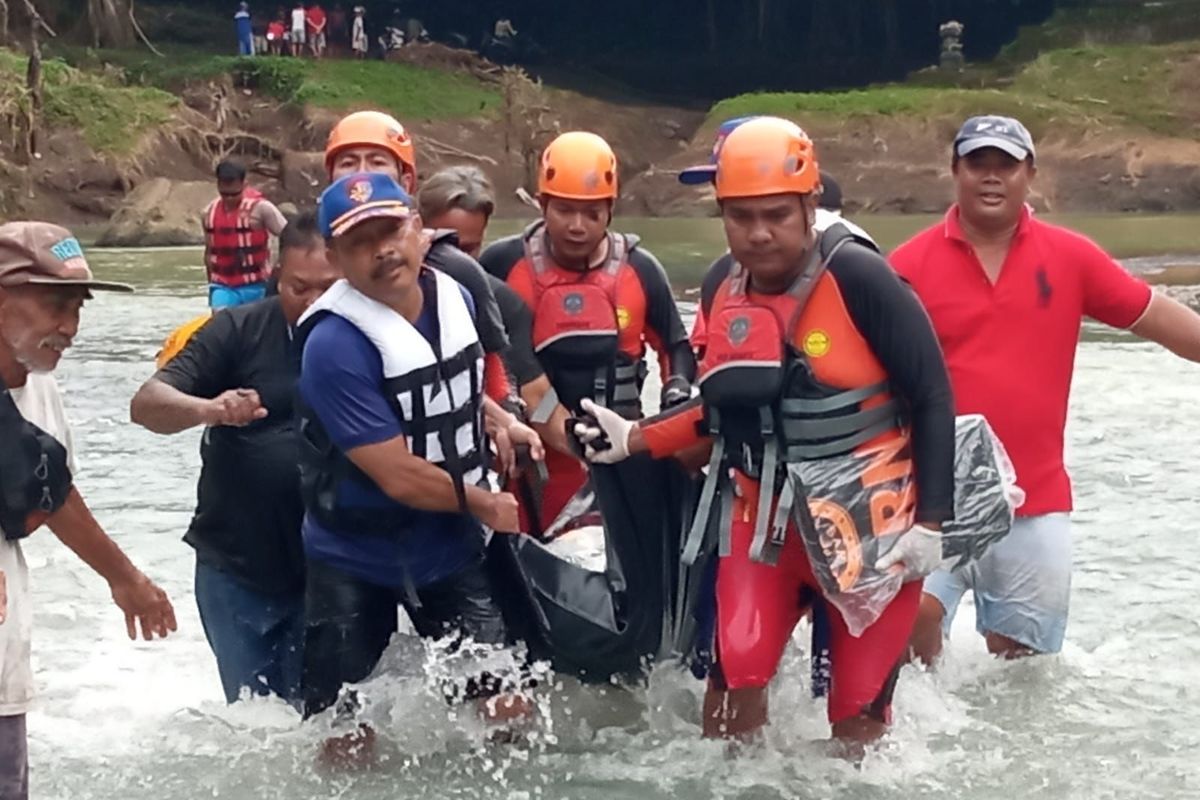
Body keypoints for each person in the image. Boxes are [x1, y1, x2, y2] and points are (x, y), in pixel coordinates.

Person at [571, 117, 956, 748]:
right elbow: (725, 405)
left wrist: (933, 523)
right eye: (740, 216)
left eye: (776, 214)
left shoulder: (862, 279)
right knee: (731, 682)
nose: (758, 233)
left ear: (809, 207)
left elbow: (934, 394)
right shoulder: (724, 283)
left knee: (858, 713)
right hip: (762, 519)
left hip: (868, 520)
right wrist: (636, 437)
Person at [891, 115, 1200, 663]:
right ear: (954, 171)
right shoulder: (905, 268)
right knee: (911, 632)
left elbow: (1155, 317)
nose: (991, 177)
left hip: (1035, 498)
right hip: (928, 500)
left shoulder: (1071, 257)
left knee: (1024, 671)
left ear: (1029, 174)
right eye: (977, 164)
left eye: (1005, 165)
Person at [297, 173, 529, 757]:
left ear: (419, 229)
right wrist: (487, 502)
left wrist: (500, 421)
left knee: (507, 709)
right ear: (334, 257)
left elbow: (448, 383)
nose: (383, 250)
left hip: (446, 545)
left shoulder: (458, 293)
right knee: (344, 732)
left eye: (392, 229)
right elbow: (397, 473)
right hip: (355, 557)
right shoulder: (333, 345)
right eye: (360, 241)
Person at [129, 213, 340, 705]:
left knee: (329, 725)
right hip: (238, 567)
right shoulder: (237, 330)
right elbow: (146, 404)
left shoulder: (372, 337)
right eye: (298, 288)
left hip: (333, 570)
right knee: (259, 726)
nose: (312, 303)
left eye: (328, 289)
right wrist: (211, 409)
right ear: (275, 273)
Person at [0, 222, 177, 798]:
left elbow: (50, 494)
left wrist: (125, 579)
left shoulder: (37, 386)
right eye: (55, 304)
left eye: (77, 308)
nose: (69, 328)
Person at [478, 131, 696, 529]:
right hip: (537, 457)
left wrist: (675, 400)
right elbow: (485, 358)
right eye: (564, 210)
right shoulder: (503, 264)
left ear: (610, 210)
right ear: (542, 204)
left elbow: (675, 348)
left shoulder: (641, 269)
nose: (577, 226)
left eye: (592, 213)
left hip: (625, 442)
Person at [323, 111, 527, 418]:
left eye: (377, 162)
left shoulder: (454, 271)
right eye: (348, 163)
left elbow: (489, 368)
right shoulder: (306, 263)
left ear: (406, 181)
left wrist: (504, 420)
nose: (361, 175)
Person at [201, 160, 288, 310]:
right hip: (222, 286)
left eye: (234, 194)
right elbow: (209, 252)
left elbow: (290, 236)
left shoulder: (261, 209)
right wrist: (211, 285)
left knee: (254, 327)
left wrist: (280, 270)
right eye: (225, 194)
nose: (229, 199)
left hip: (257, 285)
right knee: (221, 323)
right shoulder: (208, 213)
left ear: (244, 184)